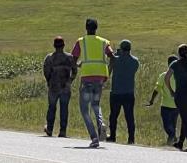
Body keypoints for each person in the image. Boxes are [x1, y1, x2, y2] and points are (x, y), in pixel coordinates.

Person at [72, 18, 115, 148]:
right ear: (96, 28)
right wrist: (108, 71)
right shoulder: (104, 42)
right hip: (100, 78)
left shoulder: (81, 41)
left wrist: (79, 65)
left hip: (87, 78)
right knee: (96, 104)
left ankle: (94, 137)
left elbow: (73, 59)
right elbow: (112, 56)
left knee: (85, 110)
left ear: (86, 28)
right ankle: (101, 123)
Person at [43, 36, 77, 138]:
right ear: (63, 45)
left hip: (53, 87)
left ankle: (49, 128)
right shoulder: (69, 57)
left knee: (52, 107)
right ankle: (63, 131)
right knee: (64, 109)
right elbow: (74, 71)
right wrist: (70, 80)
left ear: (54, 46)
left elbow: (46, 72)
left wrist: (49, 81)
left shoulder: (49, 58)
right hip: (65, 87)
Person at [106, 40, 139, 144]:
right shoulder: (135, 61)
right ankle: (131, 139)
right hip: (129, 92)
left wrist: (115, 55)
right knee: (129, 116)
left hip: (116, 92)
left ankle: (112, 136)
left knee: (113, 116)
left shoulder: (115, 60)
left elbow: (108, 70)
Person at [147, 55, 179, 145]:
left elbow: (156, 89)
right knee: (172, 126)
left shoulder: (164, 75)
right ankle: (172, 141)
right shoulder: (180, 76)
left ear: (168, 64)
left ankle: (171, 141)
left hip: (166, 106)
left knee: (168, 126)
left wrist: (152, 100)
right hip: (176, 106)